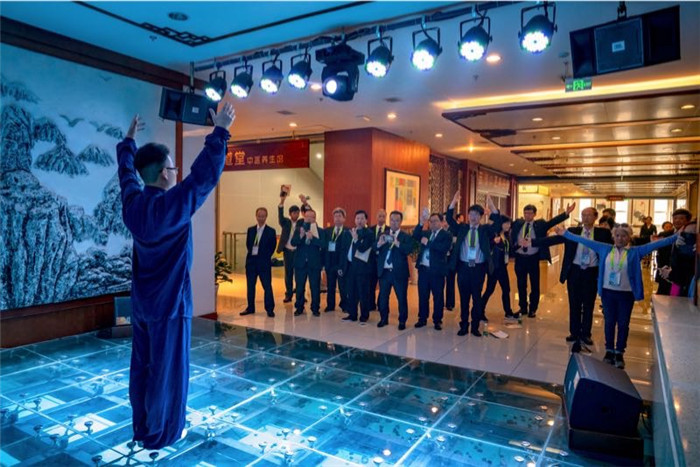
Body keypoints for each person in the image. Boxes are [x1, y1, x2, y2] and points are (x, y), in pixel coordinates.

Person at [118, 104, 235, 449]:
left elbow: (126, 175)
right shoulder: (172, 206)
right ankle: (163, 433)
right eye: (172, 167)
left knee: (142, 367)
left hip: (142, 306)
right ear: (163, 174)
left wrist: (128, 143)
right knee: (168, 372)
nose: (176, 171)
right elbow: (204, 176)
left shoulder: (133, 206)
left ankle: (143, 426)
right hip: (171, 307)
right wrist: (220, 131)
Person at [555, 223, 678, 369]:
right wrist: (565, 233)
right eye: (617, 235)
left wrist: (678, 236)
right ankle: (609, 350)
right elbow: (584, 240)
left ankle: (619, 352)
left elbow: (657, 244)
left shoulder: (635, 252)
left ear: (629, 237)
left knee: (623, 324)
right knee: (609, 322)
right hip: (608, 293)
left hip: (626, 295)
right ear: (613, 237)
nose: (620, 238)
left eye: (624, 236)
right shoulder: (605, 248)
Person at [531, 207, 613, 352]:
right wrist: (532, 242)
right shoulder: (573, 231)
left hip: (592, 272)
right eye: (583, 215)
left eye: (589, 215)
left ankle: (586, 334)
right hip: (574, 271)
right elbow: (554, 240)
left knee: (588, 304)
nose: (585, 218)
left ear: (595, 217)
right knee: (574, 303)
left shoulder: (603, 233)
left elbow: (613, 248)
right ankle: (574, 333)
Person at [446, 192, 504, 336]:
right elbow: (449, 220)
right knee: (464, 299)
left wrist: (492, 207)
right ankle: (464, 325)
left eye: (477, 215)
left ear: (481, 217)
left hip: (478, 269)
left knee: (477, 299)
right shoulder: (462, 228)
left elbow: (498, 224)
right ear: (468, 215)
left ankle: (475, 327)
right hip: (463, 268)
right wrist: (453, 203)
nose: (473, 217)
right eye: (471, 214)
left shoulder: (485, 230)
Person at [511, 203, 574, 318]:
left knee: (535, 284)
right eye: (525, 213)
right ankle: (523, 307)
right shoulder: (518, 223)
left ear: (534, 214)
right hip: (520, 258)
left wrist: (566, 213)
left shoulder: (540, 224)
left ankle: (533, 309)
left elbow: (552, 222)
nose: (527, 215)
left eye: (530, 213)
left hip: (533, 258)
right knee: (521, 284)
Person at [413, 211, 453, 330]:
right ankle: (422, 318)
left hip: (437, 271)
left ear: (441, 222)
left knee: (438, 296)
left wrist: (428, 243)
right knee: (423, 295)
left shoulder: (446, 235)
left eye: (436, 221)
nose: (433, 223)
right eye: (431, 221)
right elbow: (415, 235)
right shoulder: (427, 232)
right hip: (424, 270)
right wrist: (421, 223)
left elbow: (442, 249)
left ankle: (437, 320)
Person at [376, 211, 414, 329]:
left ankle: (402, 321)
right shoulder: (383, 234)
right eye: (392, 220)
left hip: (399, 273)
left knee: (401, 298)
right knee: (383, 297)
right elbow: (374, 248)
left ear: (401, 222)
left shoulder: (405, 236)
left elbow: (408, 250)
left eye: (397, 220)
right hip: (385, 272)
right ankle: (383, 318)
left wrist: (397, 243)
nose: (394, 222)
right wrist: (379, 244)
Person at [241, 208, 277, 317]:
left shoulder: (271, 231)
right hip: (251, 263)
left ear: (266, 217)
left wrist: (264, 257)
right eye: (259, 216)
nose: (261, 218)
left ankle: (269, 309)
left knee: (267, 286)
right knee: (250, 286)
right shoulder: (251, 230)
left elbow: (272, 247)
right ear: (256, 216)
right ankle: (250, 307)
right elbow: (248, 245)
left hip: (264, 263)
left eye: (263, 216)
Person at [278, 190, 311, 303]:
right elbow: (280, 215)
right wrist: (282, 201)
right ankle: (288, 294)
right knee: (288, 273)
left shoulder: (302, 222)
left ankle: (300, 294)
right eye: (294, 213)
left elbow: (309, 213)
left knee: (300, 274)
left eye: (297, 213)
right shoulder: (285, 222)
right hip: (287, 251)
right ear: (290, 214)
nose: (296, 215)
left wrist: (305, 203)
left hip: (298, 251)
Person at [291, 209, 326, 316]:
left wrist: (313, 238)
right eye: (307, 217)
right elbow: (293, 243)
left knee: (315, 287)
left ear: (315, 218)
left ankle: (315, 308)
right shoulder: (299, 229)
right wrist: (301, 236)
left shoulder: (320, 231)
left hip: (314, 263)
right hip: (300, 263)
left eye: (312, 217)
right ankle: (299, 307)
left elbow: (323, 244)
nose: (309, 219)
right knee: (299, 287)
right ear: (304, 217)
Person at [342, 211, 375, 322]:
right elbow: (345, 249)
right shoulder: (350, 232)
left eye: (362, 218)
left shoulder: (369, 233)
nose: (359, 221)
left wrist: (356, 239)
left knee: (363, 293)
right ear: (354, 220)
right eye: (357, 218)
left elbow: (363, 248)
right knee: (351, 292)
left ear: (366, 220)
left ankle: (364, 315)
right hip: (350, 267)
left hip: (362, 268)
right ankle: (352, 314)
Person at [481, 216, 515, 321]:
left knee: (506, 289)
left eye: (509, 224)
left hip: (503, 267)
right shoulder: (494, 234)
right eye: (506, 223)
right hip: (494, 267)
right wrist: (493, 242)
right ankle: (479, 311)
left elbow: (508, 251)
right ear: (501, 224)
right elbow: (486, 247)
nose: (508, 226)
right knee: (490, 290)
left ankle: (508, 312)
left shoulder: (506, 235)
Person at [657, 209, 695, 296]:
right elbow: (660, 253)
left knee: (675, 298)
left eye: (681, 218)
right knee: (662, 297)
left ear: (688, 221)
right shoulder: (665, 234)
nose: (677, 220)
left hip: (679, 277)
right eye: (675, 218)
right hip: (664, 274)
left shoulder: (691, 236)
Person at [324, 207, 352, 312]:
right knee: (330, 286)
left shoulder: (348, 231)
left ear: (344, 218)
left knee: (343, 286)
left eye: (340, 216)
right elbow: (324, 248)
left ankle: (345, 305)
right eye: (335, 216)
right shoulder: (327, 231)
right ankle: (330, 305)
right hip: (330, 263)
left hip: (342, 263)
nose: (337, 218)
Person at [369, 209, 389, 311]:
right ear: (376, 217)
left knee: (383, 285)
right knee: (371, 284)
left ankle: (381, 304)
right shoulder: (370, 230)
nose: (381, 218)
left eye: (383, 216)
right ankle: (371, 304)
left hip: (384, 262)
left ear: (386, 217)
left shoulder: (389, 231)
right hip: (372, 261)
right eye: (379, 216)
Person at [444, 212, 461, 311]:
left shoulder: (455, 229)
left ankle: (450, 303)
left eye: (446, 220)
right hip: (441, 260)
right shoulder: (440, 231)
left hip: (451, 259)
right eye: (443, 220)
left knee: (450, 281)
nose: (445, 222)